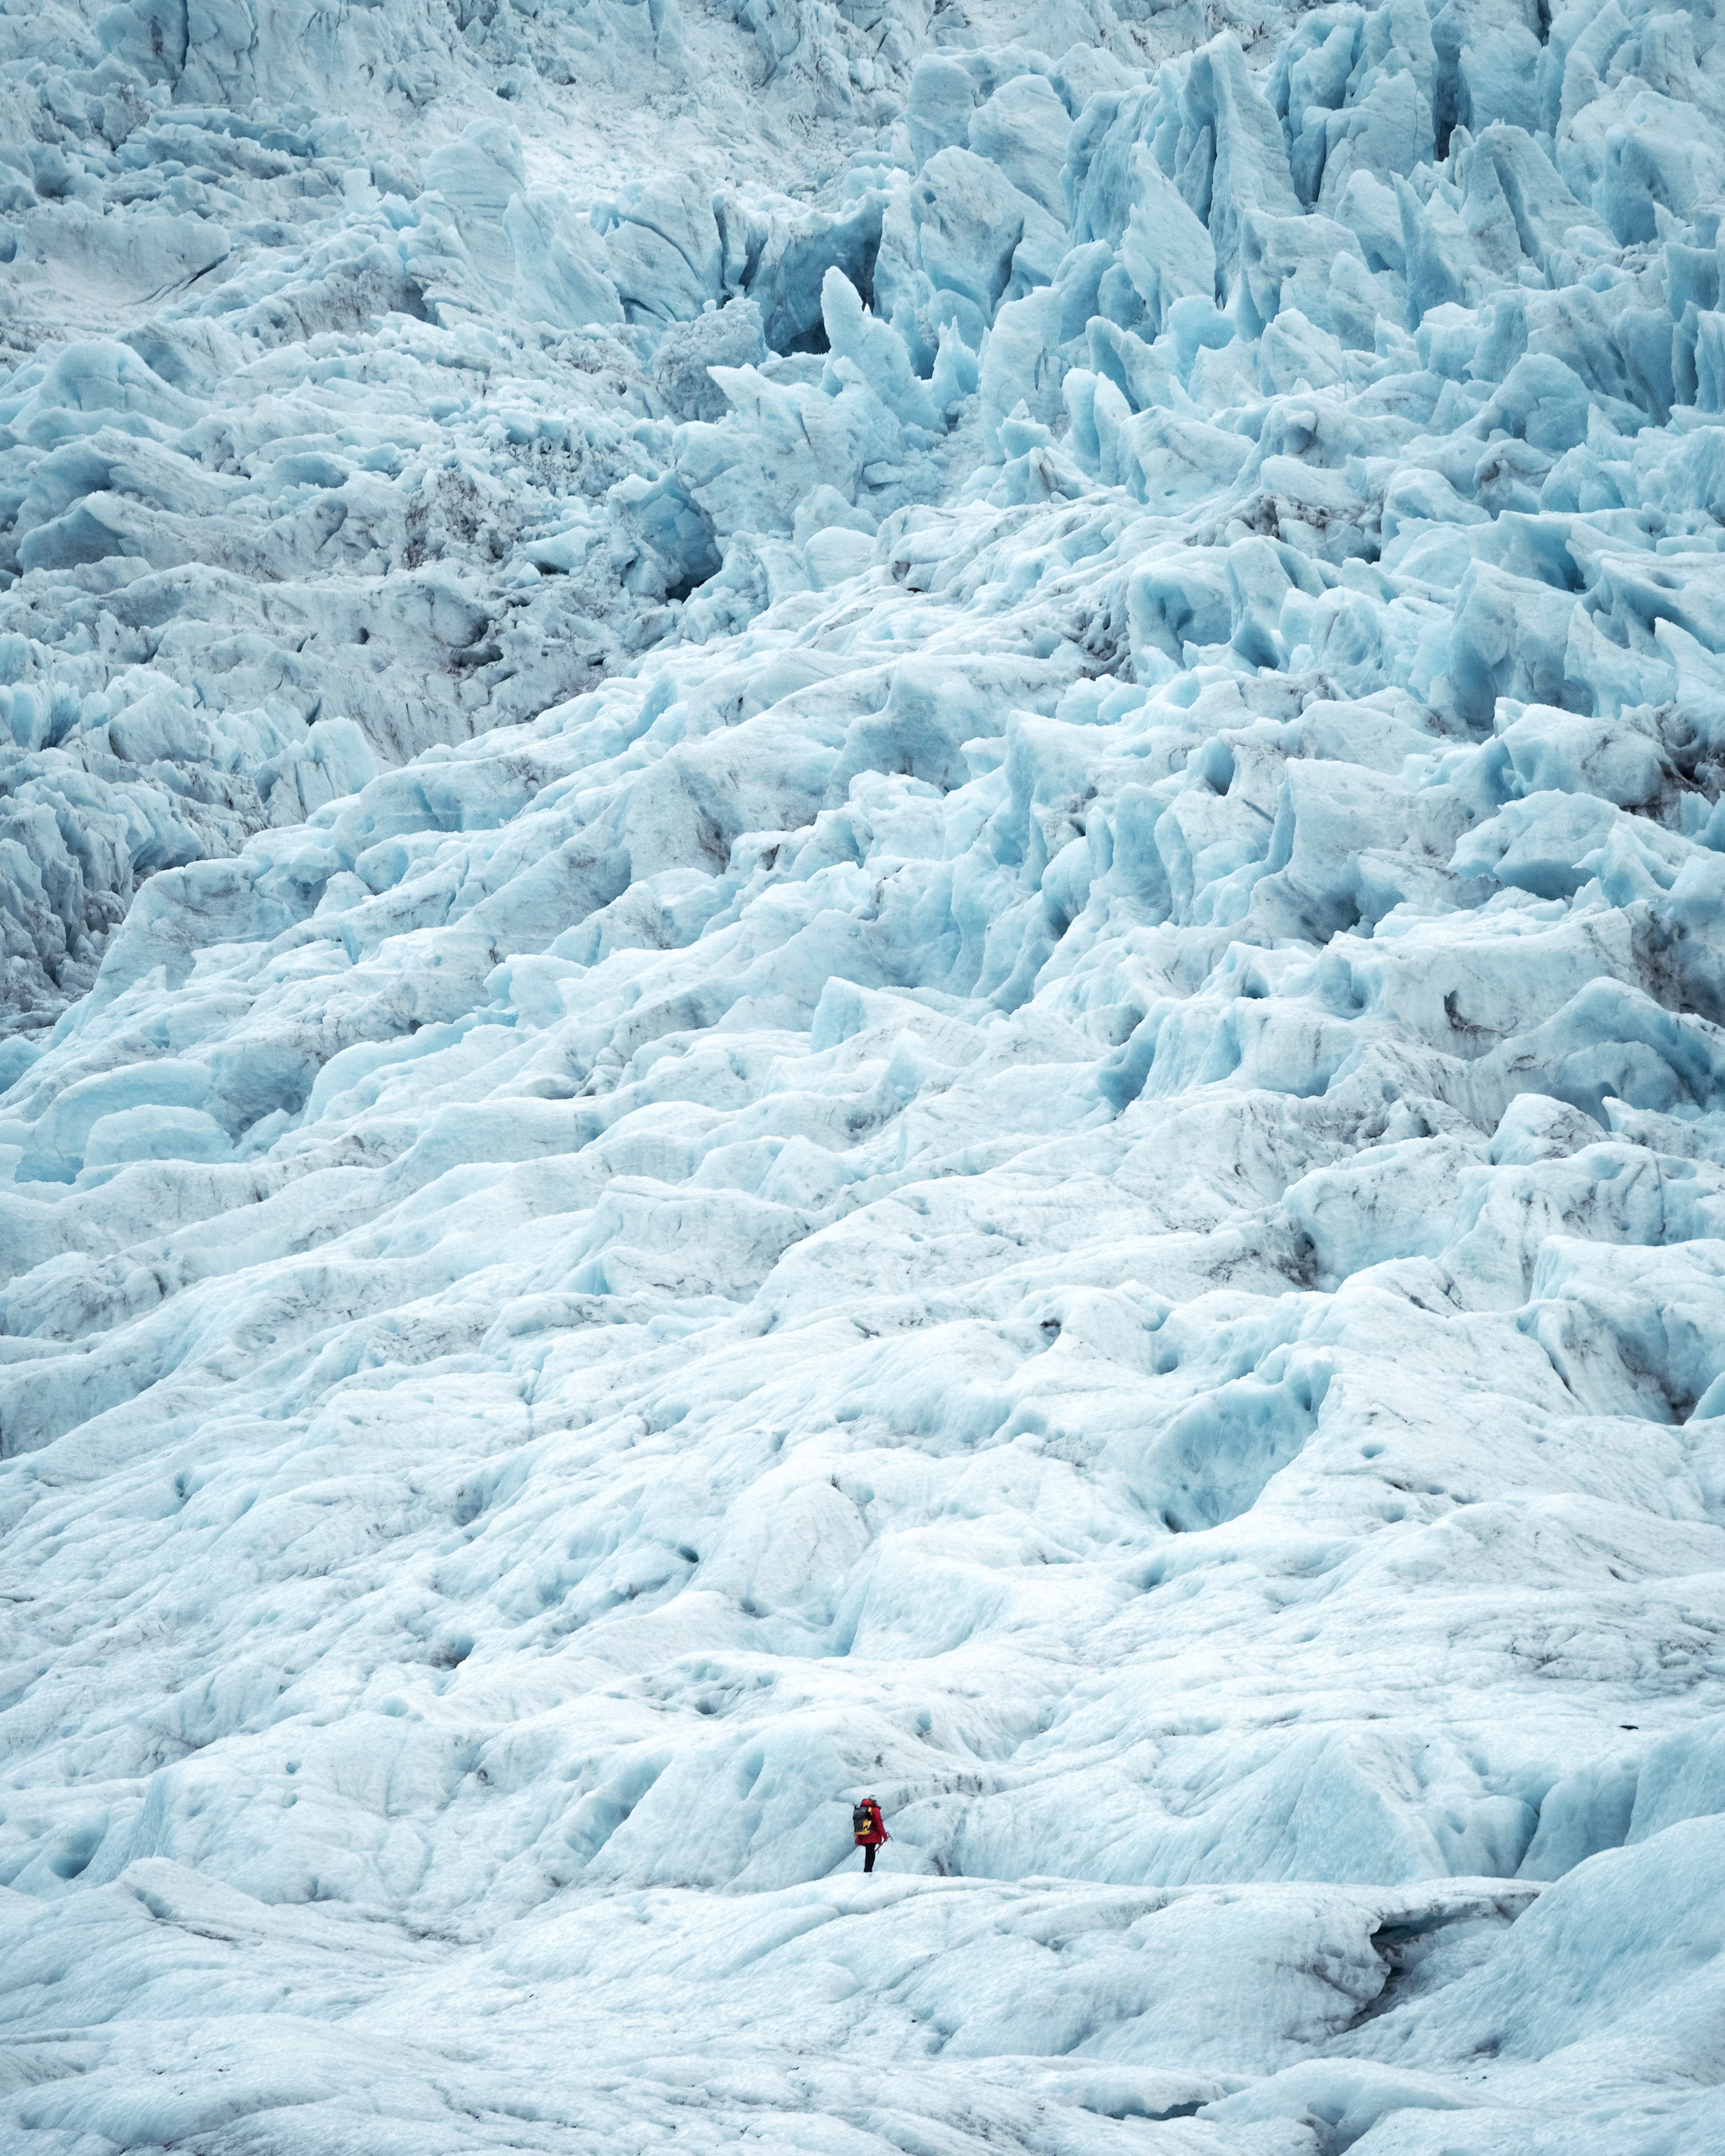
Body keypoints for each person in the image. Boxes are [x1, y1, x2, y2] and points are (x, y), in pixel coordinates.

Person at [852, 1795, 888, 1872]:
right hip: (872, 1836)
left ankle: (868, 1870)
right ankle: (867, 1871)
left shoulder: (863, 1809)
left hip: (863, 1835)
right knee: (870, 1854)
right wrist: (885, 1836)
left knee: (870, 1853)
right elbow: (879, 1824)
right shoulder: (875, 1810)